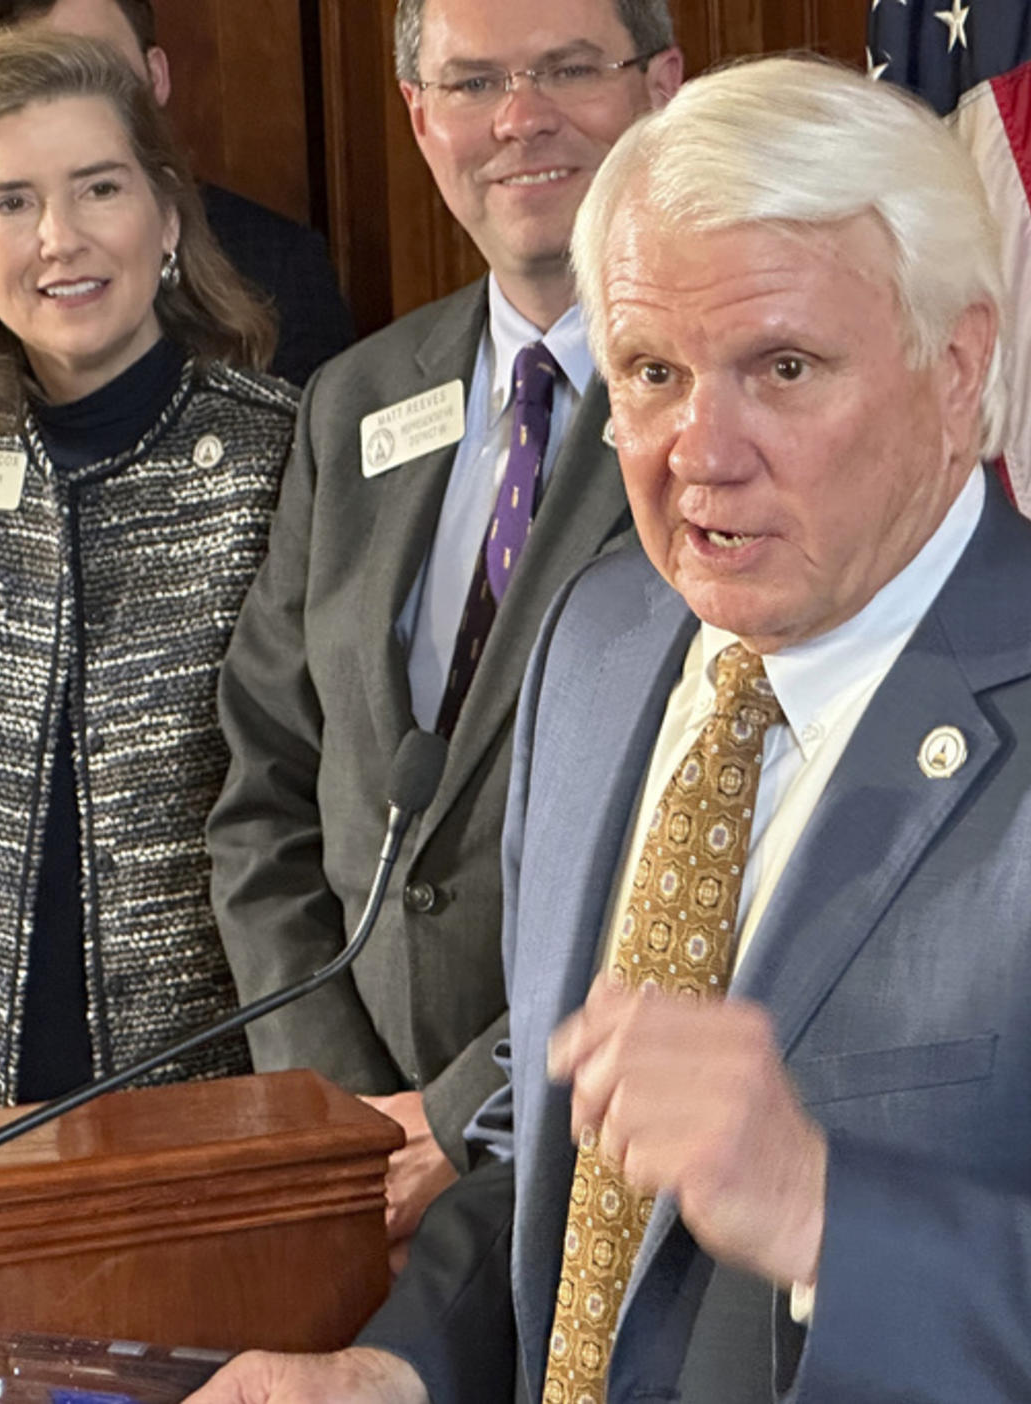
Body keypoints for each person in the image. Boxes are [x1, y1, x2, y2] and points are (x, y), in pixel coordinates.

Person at [189, 54, 1031, 1404]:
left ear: (956, 367)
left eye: (785, 366)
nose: (700, 448)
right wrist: (396, 1371)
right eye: (649, 371)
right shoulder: (598, 642)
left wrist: (825, 1214)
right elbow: (565, 1167)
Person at [204, 0, 683, 1267]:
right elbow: (266, 786)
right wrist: (338, 1108)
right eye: (472, 83)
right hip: (357, 1167)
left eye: (568, 69)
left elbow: (718, 831)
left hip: (614, 1157)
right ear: (421, 121)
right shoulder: (356, 400)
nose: (518, 119)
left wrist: (461, 1112)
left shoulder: (726, 417)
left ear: (661, 86)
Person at [0, 29, 298, 1119]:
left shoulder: (284, 455)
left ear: (165, 214)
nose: (59, 239)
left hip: (216, 1085)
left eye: (97, 187)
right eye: (9, 202)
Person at [0, 0, 355, 386]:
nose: (72, 103)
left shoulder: (282, 267)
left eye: (102, 70)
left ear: (156, 76)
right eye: (38, 76)